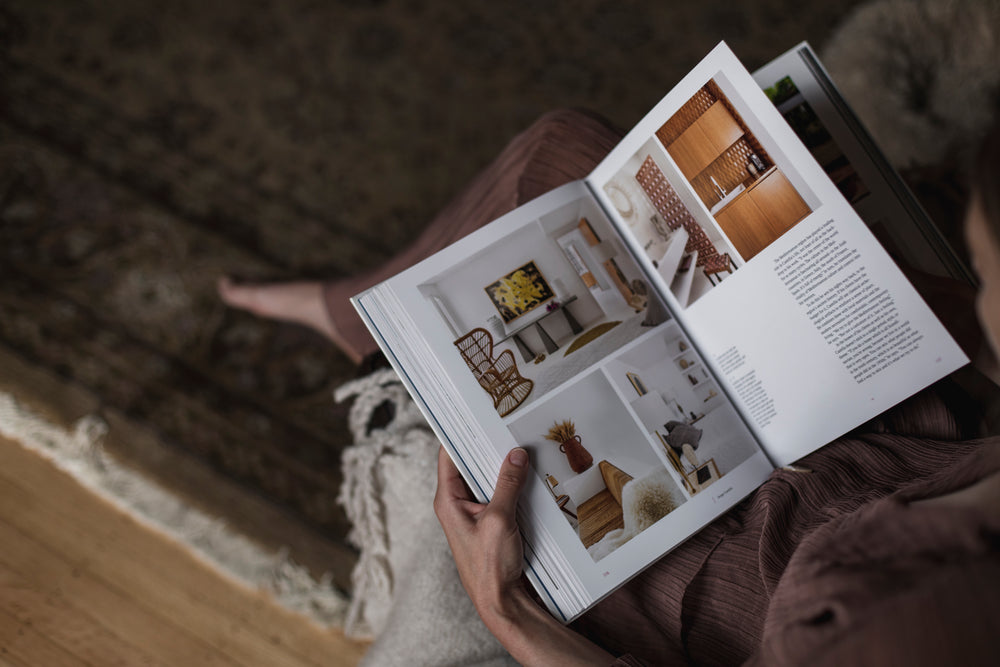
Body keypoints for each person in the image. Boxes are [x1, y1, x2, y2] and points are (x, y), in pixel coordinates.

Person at [433, 120, 1000, 665]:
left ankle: (347, 323)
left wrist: (503, 609)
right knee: (562, 147)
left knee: (462, 458)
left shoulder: (890, 627)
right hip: (883, 440)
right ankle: (345, 317)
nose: (974, 288)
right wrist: (906, 298)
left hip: (726, 570)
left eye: (981, 270)